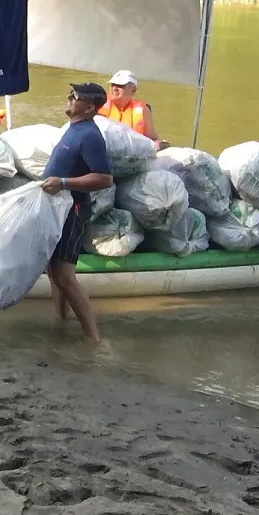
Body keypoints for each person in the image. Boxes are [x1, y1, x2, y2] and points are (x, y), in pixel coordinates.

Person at [40, 82, 114, 344]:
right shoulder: (73, 130)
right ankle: (60, 324)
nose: (69, 98)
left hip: (74, 207)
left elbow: (105, 179)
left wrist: (62, 183)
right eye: (70, 94)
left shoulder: (91, 136)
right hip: (57, 206)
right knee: (53, 271)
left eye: (76, 96)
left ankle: (93, 339)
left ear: (90, 107)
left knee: (64, 275)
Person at [99, 69, 165, 149]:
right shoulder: (99, 102)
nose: (114, 88)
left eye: (120, 85)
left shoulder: (143, 110)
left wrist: (160, 145)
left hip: (132, 154)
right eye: (113, 84)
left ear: (133, 90)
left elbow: (153, 139)